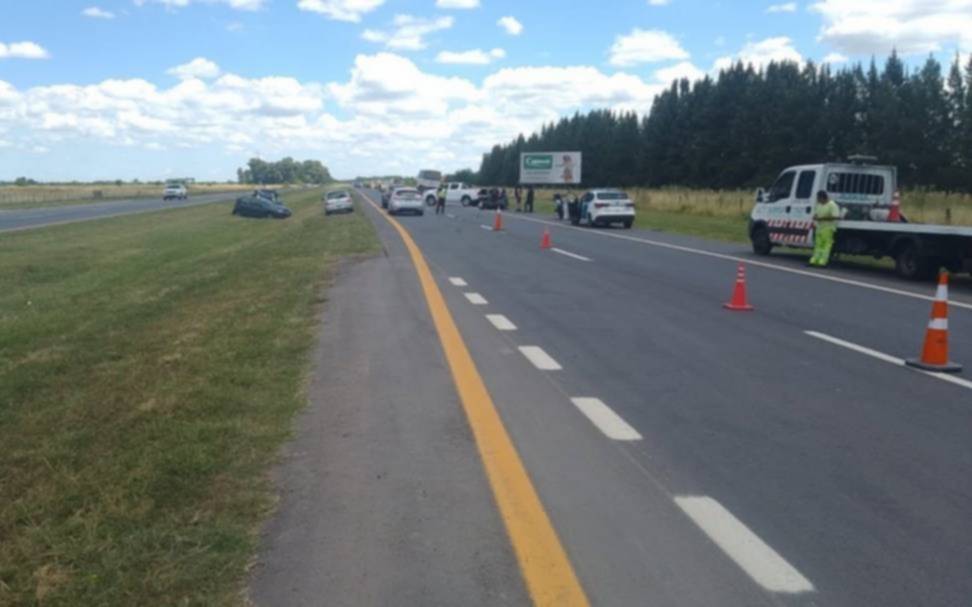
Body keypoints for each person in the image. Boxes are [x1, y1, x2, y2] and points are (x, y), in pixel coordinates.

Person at [809, 190, 840, 267]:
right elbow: (816, 214)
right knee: (817, 245)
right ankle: (815, 259)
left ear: (823, 198)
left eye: (818, 198)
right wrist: (815, 217)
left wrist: (822, 218)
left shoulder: (832, 205)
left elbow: (835, 217)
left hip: (828, 228)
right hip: (819, 227)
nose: (818, 200)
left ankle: (823, 261)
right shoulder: (819, 205)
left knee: (825, 245)